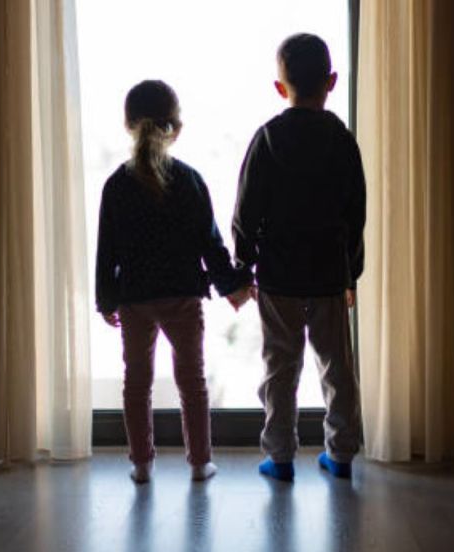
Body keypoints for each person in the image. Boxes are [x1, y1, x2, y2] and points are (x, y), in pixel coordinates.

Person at [96, 80, 253, 483]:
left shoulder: (116, 185)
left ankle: (141, 464)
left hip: (135, 299)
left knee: (137, 383)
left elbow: (106, 252)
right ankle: (200, 463)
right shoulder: (189, 180)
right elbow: (210, 244)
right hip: (182, 296)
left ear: (129, 125)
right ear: (176, 128)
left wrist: (106, 300)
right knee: (192, 382)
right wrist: (232, 285)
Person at [233, 33, 366, 481]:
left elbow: (246, 210)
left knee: (280, 366)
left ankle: (280, 456)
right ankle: (341, 453)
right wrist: (351, 273)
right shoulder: (341, 140)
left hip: (279, 274)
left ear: (279, 87)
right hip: (328, 272)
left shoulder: (268, 138)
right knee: (336, 366)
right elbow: (355, 213)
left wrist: (244, 265)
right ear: (331, 81)